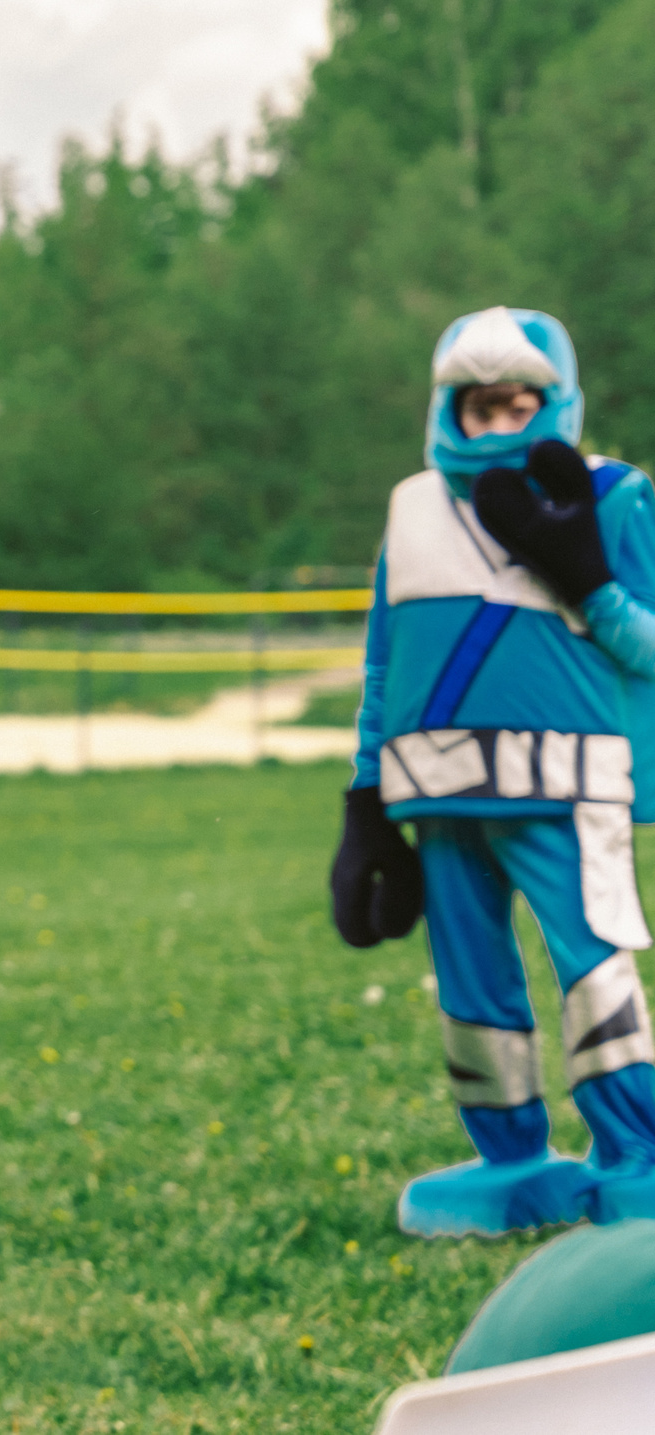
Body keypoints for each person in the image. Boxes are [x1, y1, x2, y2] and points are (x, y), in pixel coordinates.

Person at [332, 305, 655, 1236]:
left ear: (555, 401)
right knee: (471, 977)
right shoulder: (413, 508)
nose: (501, 425)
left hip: (567, 782)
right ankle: (507, 1153)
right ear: (450, 409)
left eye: (521, 404)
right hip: (437, 790)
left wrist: (584, 575)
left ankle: (635, 1152)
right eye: (481, 407)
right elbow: (386, 664)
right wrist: (364, 799)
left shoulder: (615, 495)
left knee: (593, 966)